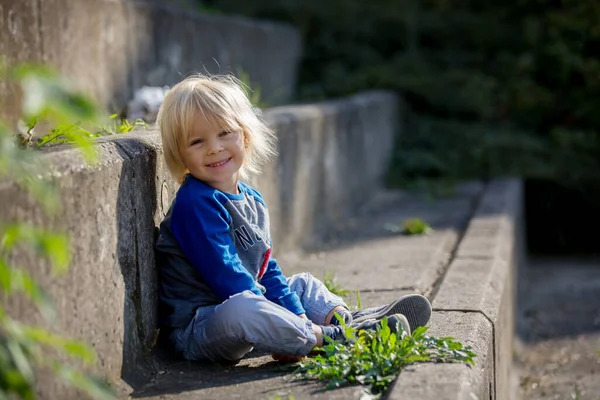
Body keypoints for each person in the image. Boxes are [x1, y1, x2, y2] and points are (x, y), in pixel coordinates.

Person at [154, 74, 432, 364]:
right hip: (201, 329)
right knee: (245, 308)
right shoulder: (195, 204)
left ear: (245, 136)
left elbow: (266, 268)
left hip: (248, 307)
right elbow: (228, 276)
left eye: (225, 133)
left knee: (302, 285)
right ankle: (331, 338)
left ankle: (343, 321)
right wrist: (290, 319)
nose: (214, 147)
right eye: (197, 141)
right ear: (180, 155)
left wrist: (295, 313)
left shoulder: (252, 199)